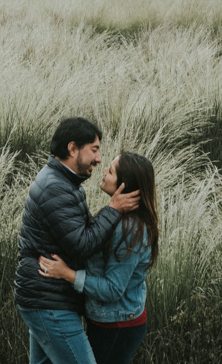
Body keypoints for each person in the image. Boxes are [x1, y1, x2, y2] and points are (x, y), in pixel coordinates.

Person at [15, 117, 141, 364]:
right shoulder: (56, 187)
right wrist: (113, 208)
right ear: (72, 148)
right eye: (94, 150)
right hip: (49, 302)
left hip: (49, 297)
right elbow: (82, 245)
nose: (99, 159)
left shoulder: (65, 183)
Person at [38, 152, 159, 364]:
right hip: (107, 321)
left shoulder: (129, 228)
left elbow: (113, 289)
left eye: (110, 171)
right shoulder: (116, 214)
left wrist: (68, 274)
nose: (104, 170)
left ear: (124, 185)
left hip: (118, 327)